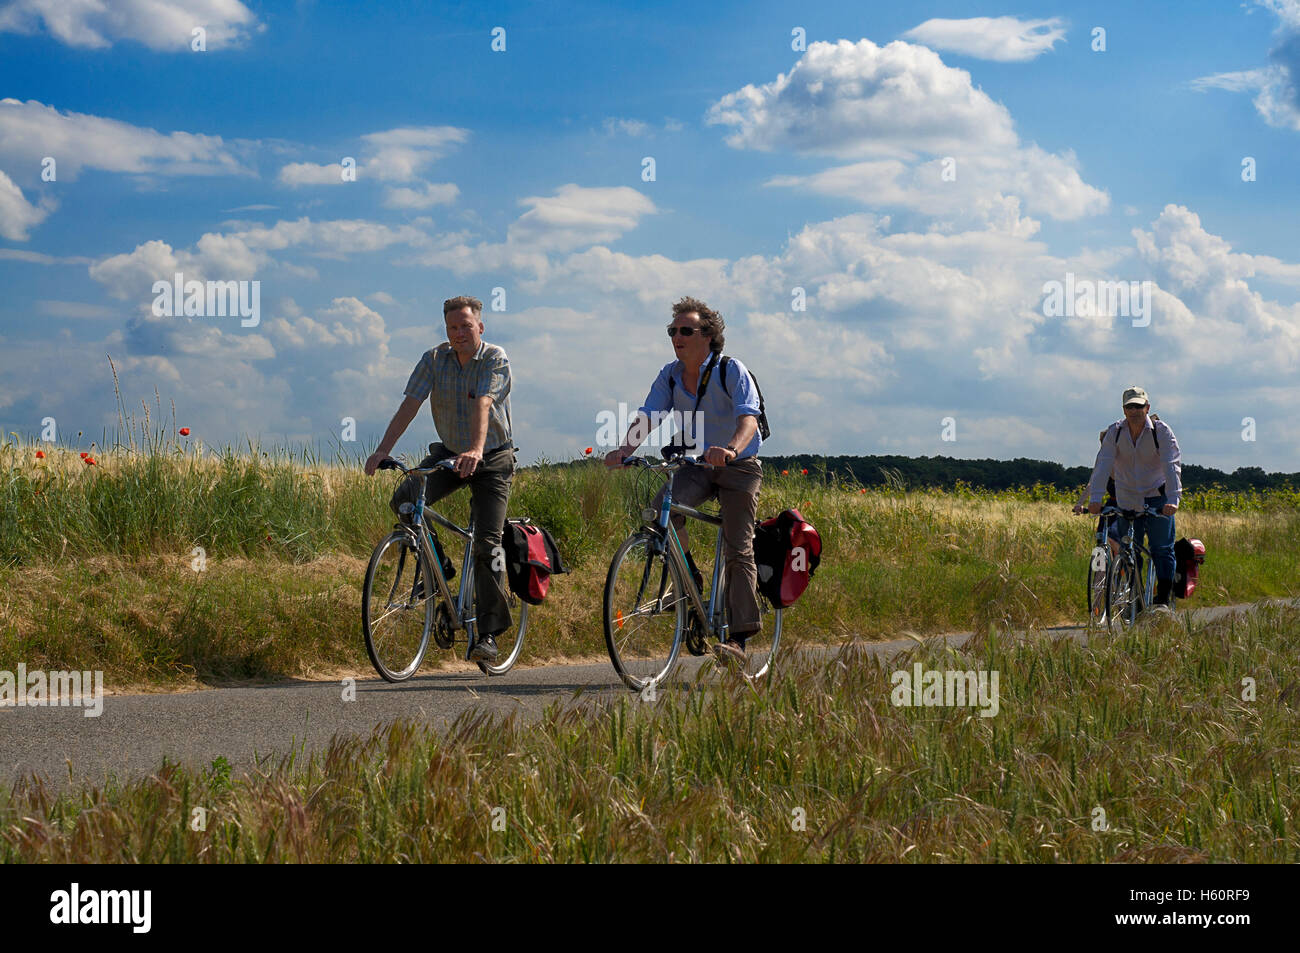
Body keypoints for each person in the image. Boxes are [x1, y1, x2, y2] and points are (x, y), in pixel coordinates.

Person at [603, 296, 763, 665]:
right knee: (662, 509)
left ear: (708, 336)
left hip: (738, 466)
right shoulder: (671, 374)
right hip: (697, 465)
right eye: (672, 330)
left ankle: (739, 639)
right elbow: (649, 414)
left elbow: (748, 418)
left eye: (685, 330)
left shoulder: (730, 370)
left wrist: (730, 450)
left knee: (738, 548)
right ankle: (690, 575)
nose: (677, 336)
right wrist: (624, 450)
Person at [364, 295, 515, 661]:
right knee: (404, 501)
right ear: (445, 330)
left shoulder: (495, 358)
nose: (459, 333)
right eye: (452, 327)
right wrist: (383, 449)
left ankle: (490, 633)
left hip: (492, 457)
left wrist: (476, 451)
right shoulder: (434, 359)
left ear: (480, 326)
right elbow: (410, 405)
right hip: (448, 453)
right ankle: (441, 567)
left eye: (466, 326)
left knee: (487, 543)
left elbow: (484, 403)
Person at [1083, 386, 1182, 611]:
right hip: (1127, 498)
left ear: (1147, 408)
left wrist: (1173, 500)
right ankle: (1134, 599)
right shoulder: (1115, 432)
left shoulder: (1161, 431)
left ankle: (1162, 601)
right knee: (1129, 551)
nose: (1134, 410)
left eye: (1139, 406)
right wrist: (1095, 499)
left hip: (1157, 497)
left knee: (1161, 549)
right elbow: (1103, 465)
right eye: (1130, 406)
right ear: (1124, 410)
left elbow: (1171, 464)